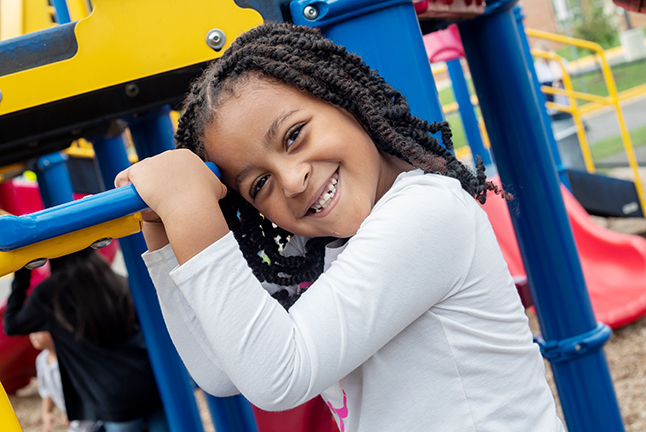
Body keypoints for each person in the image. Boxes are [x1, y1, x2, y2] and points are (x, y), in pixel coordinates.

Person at [116, 23, 566, 431]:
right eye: (260, 184)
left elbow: (280, 376)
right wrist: (164, 233)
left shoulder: (428, 214)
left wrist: (189, 208)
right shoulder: (321, 250)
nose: (292, 181)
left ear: (344, 98)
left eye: (294, 136)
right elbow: (222, 371)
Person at [4, 248, 169, 432]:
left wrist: (23, 272)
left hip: (114, 396)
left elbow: (11, 325)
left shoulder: (52, 293)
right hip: (151, 381)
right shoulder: (110, 277)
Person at [29, 331, 101, 432]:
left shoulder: (71, 359)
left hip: (93, 423)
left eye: (37, 329)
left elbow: (88, 389)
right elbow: (47, 392)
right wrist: (46, 413)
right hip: (75, 426)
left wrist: (74, 410)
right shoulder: (41, 360)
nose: (32, 334)